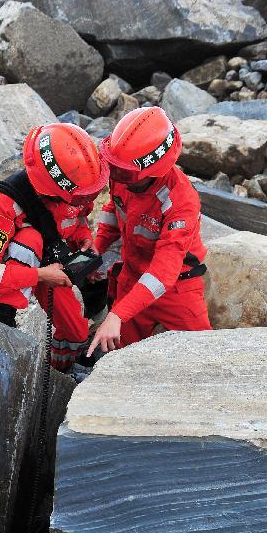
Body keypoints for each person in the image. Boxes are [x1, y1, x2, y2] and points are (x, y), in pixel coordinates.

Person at [0, 122, 109, 373]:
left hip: (50, 265)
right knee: (29, 238)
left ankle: (58, 374)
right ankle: (5, 320)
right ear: (51, 188)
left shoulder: (75, 187)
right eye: (80, 197)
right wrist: (41, 275)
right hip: (20, 276)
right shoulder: (7, 204)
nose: (85, 201)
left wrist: (84, 238)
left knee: (75, 332)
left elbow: (77, 218)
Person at [87, 106, 212, 355]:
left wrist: (117, 315)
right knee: (122, 356)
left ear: (153, 171)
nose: (114, 174)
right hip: (132, 276)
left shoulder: (181, 202)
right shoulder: (121, 171)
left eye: (123, 171)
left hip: (178, 288)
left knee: (203, 355)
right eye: (113, 166)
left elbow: (163, 273)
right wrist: (96, 248)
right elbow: (114, 208)